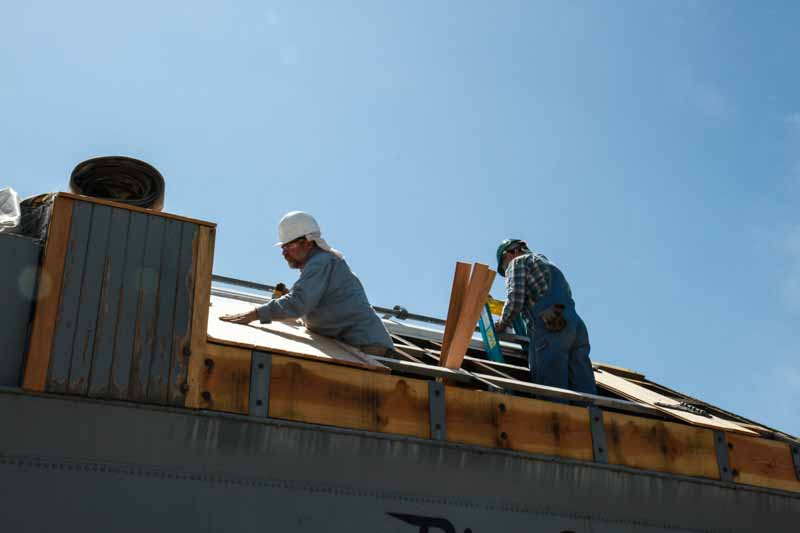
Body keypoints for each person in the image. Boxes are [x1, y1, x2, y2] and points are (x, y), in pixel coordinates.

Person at [221, 211, 394, 356]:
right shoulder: (325, 263)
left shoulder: (322, 262)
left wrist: (256, 314)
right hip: (354, 346)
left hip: (367, 348)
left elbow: (299, 303)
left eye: (288, 246)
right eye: (282, 247)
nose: (284, 252)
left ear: (308, 242)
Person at [494, 239, 597, 394]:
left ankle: (558, 417)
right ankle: (591, 415)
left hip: (550, 327)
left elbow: (515, 300)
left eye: (504, 265)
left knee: (551, 387)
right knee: (583, 383)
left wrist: (502, 324)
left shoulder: (518, 262)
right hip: (575, 327)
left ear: (510, 253)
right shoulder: (547, 264)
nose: (506, 268)